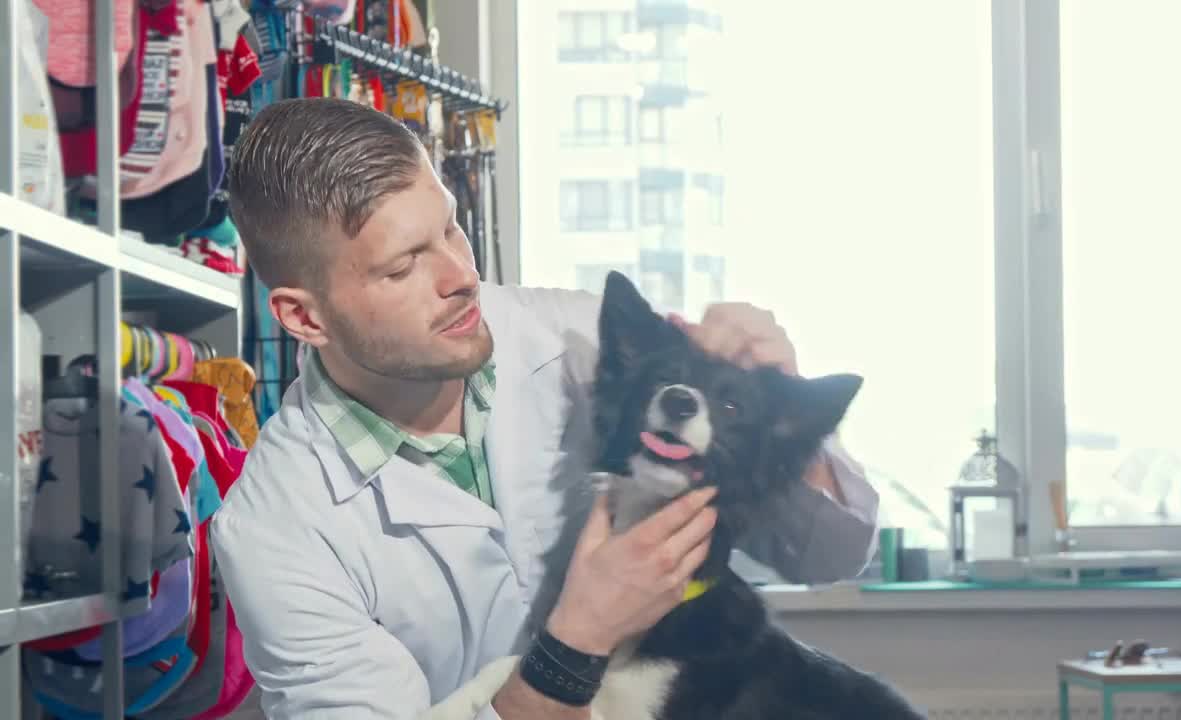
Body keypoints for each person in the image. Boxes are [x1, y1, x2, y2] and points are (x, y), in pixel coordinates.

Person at [210, 97, 880, 719]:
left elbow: (827, 554)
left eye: (450, 228)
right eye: (403, 265)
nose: (460, 276)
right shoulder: (276, 530)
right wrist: (576, 644)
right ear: (303, 316)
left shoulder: (582, 340)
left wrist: (775, 404)